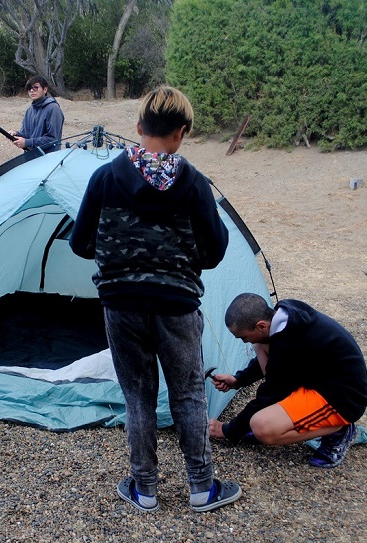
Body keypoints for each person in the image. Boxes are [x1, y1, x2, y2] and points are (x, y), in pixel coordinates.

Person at [68, 86, 241, 513]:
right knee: (187, 394)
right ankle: (202, 486)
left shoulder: (106, 178)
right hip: (177, 305)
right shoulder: (194, 184)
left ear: (139, 126)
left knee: (139, 395)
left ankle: (144, 488)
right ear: (181, 133)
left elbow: (80, 244)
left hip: (120, 304)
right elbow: (216, 251)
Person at [209, 293, 367, 468]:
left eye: (243, 337)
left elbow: (270, 394)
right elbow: (274, 364)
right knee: (259, 344)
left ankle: (340, 429)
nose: (244, 341)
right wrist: (238, 380)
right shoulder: (283, 321)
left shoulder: (290, 341)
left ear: (261, 325)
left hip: (342, 399)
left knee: (262, 428)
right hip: (316, 381)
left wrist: (228, 430)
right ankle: (322, 423)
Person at [11, 76, 64, 153]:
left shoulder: (53, 108)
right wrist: (16, 134)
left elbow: (53, 139)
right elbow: (27, 134)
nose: (32, 90)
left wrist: (27, 142)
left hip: (49, 158)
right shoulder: (29, 111)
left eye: (36, 87)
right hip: (31, 156)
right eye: (29, 88)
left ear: (45, 89)